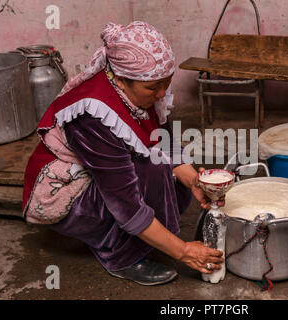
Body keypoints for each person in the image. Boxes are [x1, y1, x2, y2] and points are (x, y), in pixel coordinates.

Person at [22, 21, 224, 286]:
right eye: (153, 88)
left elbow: (160, 137)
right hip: (66, 191)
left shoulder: (142, 88)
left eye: (166, 83)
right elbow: (125, 203)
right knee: (152, 168)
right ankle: (120, 255)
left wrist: (193, 180)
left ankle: (145, 237)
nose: (162, 93)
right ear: (121, 79)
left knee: (169, 171)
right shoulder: (92, 117)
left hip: (108, 176)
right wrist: (183, 252)